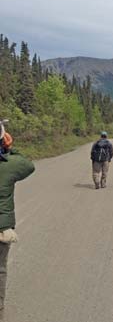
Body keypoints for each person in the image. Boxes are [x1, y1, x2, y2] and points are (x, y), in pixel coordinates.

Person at [0, 126, 35, 311]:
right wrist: (9, 147)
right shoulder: (10, 165)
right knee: (0, 269)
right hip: (1, 228)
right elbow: (29, 165)